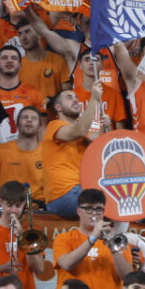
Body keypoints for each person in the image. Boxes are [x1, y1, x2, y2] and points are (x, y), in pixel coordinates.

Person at [55, 189, 133, 289]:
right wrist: (93, 238)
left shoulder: (116, 241)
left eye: (99, 209)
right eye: (89, 209)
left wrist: (113, 248)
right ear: (79, 211)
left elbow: (128, 277)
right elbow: (67, 264)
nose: (94, 213)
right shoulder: (63, 239)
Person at [43, 85, 104, 217]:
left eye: (76, 97)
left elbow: (98, 141)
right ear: (58, 107)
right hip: (64, 195)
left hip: (78, 191)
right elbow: (79, 131)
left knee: (119, 197)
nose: (75, 100)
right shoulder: (54, 125)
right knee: (113, 200)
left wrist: (103, 126)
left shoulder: (81, 133)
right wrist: (94, 98)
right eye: (69, 98)